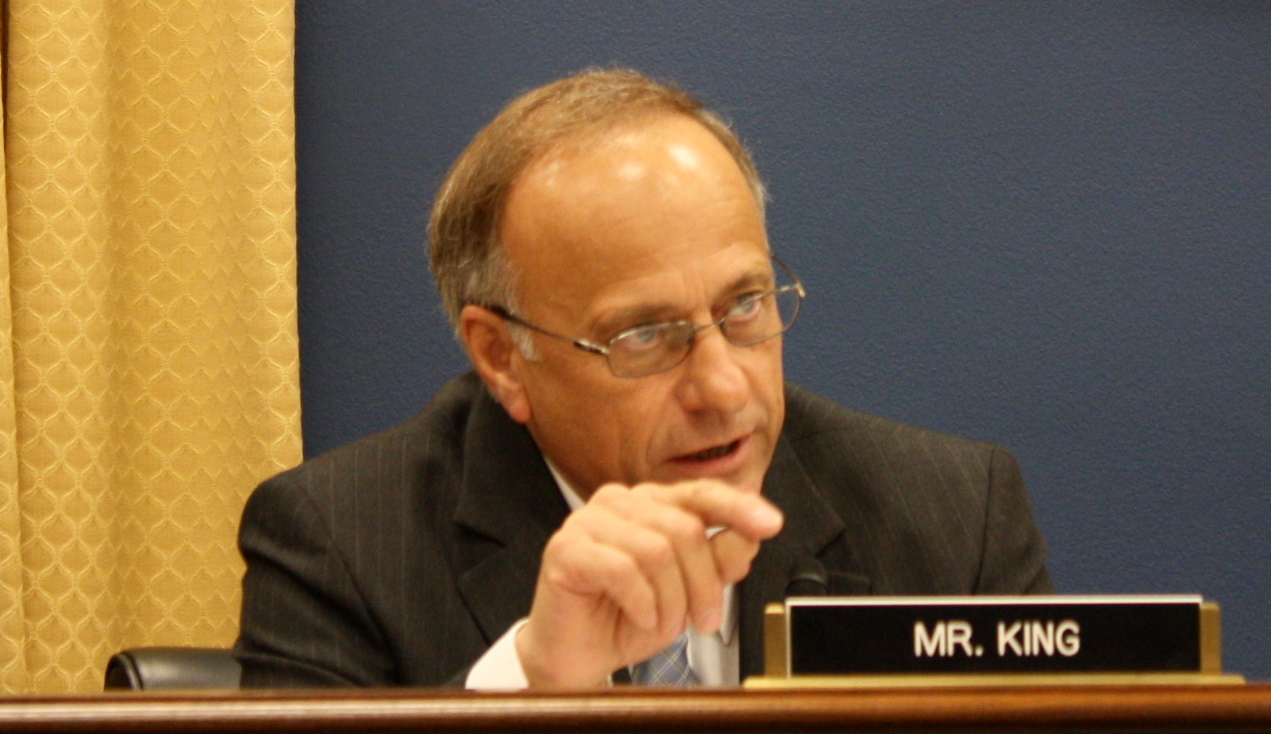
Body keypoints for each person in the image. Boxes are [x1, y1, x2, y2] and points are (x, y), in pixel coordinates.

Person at [234, 69, 1051, 689]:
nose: (723, 390)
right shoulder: (341, 546)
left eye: (744, 305)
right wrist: (533, 681)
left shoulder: (952, 520)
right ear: (501, 357)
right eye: (645, 336)